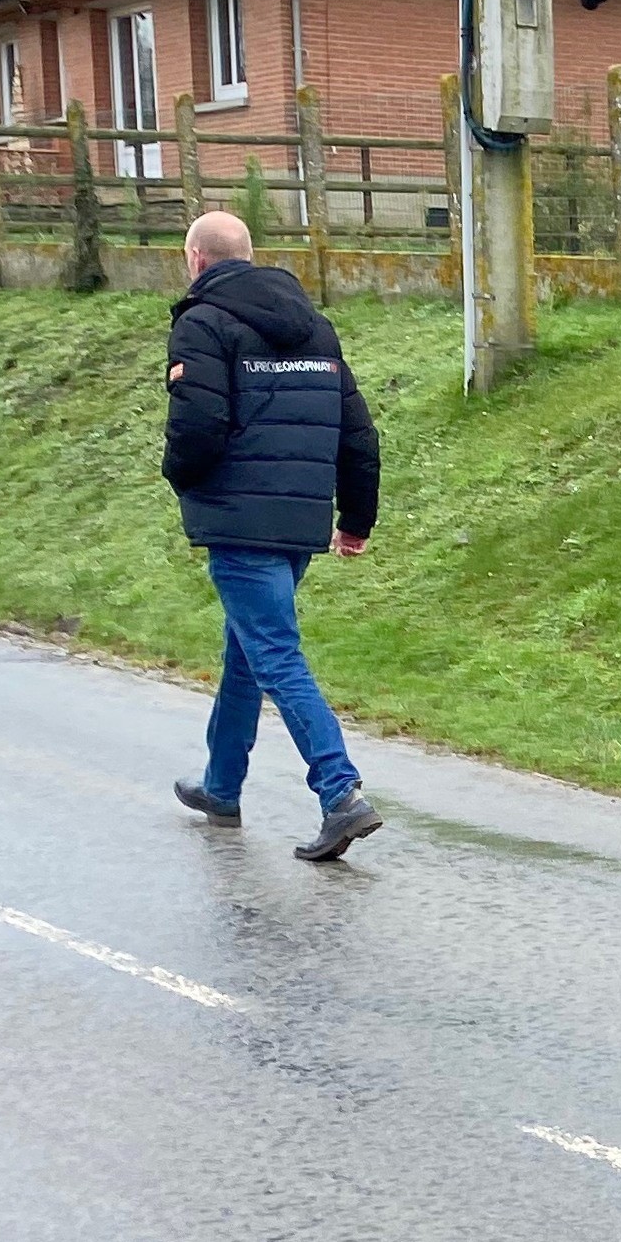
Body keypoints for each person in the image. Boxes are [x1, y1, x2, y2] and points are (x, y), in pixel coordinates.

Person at [163, 210, 386, 862]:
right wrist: (355, 519)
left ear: (197, 260)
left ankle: (340, 793)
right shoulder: (316, 327)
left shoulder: (201, 323)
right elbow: (358, 434)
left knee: (276, 654)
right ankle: (222, 786)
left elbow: (197, 425)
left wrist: (181, 480)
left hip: (238, 519)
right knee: (248, 651)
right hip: (300, 522)